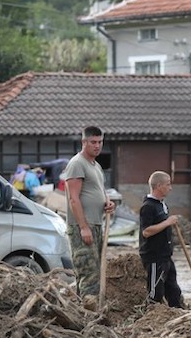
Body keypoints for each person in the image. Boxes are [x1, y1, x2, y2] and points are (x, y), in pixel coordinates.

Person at [63, 126, 116, 301]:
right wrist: (83, 227)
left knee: (96, 271)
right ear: (83, 142)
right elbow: (73, 199)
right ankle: (89, 316)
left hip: (96, 224)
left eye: (100, 142)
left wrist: (107, 203)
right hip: (82, 226)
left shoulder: (96, 166)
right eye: (93, 142)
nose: (97, 146)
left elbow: (100, 191)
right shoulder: (77, 164)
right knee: (89, 273)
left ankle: (84, 311)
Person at [138, 171, 184, 308]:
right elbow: (146, 232)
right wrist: (167, 223)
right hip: (154, 257)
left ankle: (177, 316)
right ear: (159, 186)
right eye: (168, 184)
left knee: (174, 290)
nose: (170, 188)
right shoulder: (148, 207)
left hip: (165, 255)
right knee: (155, 293)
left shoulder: (162, 205)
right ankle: (151, 319)